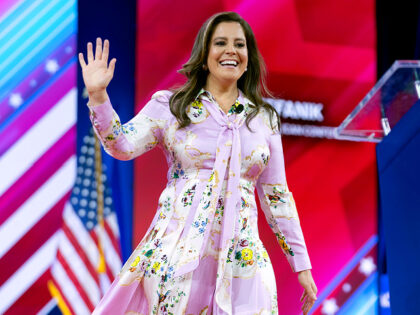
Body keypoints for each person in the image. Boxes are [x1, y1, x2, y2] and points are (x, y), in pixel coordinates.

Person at [79, 11, 317, 315]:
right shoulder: (170, 106)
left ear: (249, 57)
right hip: (177, 257)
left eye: (239, 45)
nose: (231, 50)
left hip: (242, 262)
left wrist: (302, 266)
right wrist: (99, 96)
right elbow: (121, 146)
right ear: (204, 56)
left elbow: (277, 197)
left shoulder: (264, 119)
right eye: (220, 43)